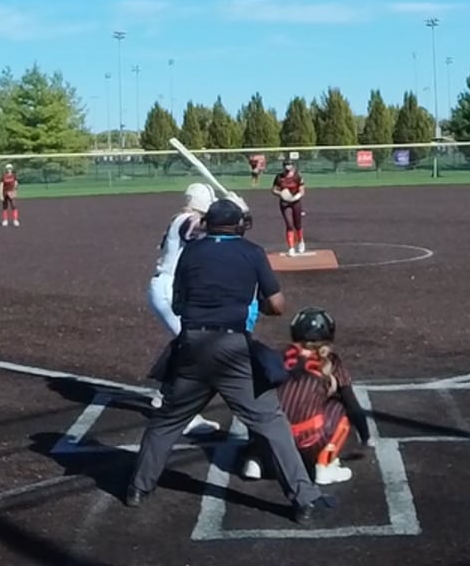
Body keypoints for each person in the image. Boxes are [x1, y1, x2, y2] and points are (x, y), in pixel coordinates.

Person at [125, 198, 336, 523]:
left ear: (208, 224)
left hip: (192, 347)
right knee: (270, 422)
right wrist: (252, 304)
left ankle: (138, 489)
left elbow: (178, 305)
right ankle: (304, 499)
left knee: (167, 420)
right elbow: (277, 305)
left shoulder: (191, 252)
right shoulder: (252, 252)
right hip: (233, 349)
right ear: (239, 225)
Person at [241, 307, 372, 486]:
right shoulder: (332, 361)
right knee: (340, 407)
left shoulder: (278, 354)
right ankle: (325, 466)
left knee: (260, 400)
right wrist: (365, 436)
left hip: (274, 438)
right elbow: (352, 404)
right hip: (310, 441)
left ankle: (257, 459)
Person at [145, 182, 226, 437]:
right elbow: (200, 229)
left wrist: (237, 214)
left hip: (173, 289)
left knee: (187, 343)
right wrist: (234, 210)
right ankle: (182, 414)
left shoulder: (183, 218)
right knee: (196, 347)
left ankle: (165, 393)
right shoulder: (186, 220)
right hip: (169, 289)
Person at [273, 159, 307, 256]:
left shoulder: (297, 176)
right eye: (286, 165)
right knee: (289, 224)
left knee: (298, 224)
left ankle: (301, 241)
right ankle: (291, 247)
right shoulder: (279, 177)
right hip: (285, 203)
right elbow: (274, 189)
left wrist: (295, 197)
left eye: (290, 164)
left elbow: (302, 191)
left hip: (296, 202)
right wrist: (281, 193)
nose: (288, 167)